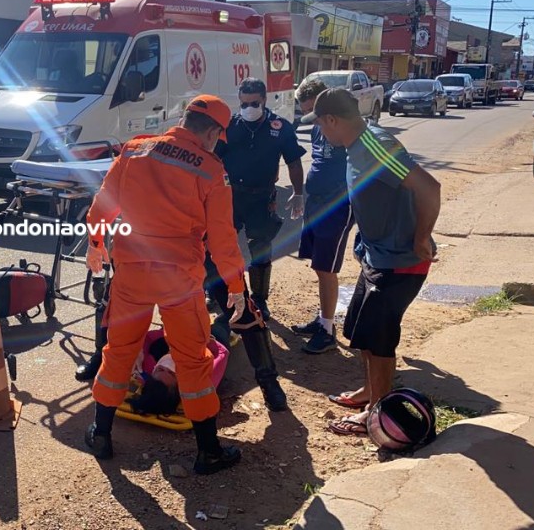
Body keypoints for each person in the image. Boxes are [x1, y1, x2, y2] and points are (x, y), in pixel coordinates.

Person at [82, 94, 247, 475]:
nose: (214, 144)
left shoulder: (135, 150)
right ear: (211, 132)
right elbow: (222, 238)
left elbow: (104, 204)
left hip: (133, 272)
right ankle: (208, 451)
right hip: (179, 278)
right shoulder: (211, 169)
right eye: (216, 138)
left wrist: (95, 243)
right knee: (192, 360)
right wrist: (236, 286)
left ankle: (101, 433)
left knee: (119, 351)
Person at [298, 88, 441, 437]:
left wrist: (422, 237)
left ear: (332, 120)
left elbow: (429, 188)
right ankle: (370, 394)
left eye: (319, 124)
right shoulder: (354, 146)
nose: (319, 132)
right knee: (360, 333)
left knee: (380, 340)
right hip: (376, 255)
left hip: (400, 262)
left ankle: (378, 411)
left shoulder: (375, 144)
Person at [206, 78, 306, 322]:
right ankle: (216, 292)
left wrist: (298, 191)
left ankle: (260, 300)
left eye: (254, 103)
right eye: (244, 103)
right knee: (217, 246)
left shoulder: (280, 127)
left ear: (264, 100)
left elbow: (293, 161)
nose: (248, 107)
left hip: (262, 197)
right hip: (230, 197)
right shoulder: (230, 126)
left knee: (260, 249)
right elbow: (211, 159)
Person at [290, 79, 355, 354]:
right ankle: (322, 320)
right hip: (316, 204)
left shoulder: (345, 130)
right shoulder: (320, 128)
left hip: (336, 206)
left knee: (327, 268)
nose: (313, 120)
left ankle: (327, 331)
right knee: (319, 265)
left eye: (314, 112)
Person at [127, 328, 230, 416]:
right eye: (172, 373)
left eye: (160, 369)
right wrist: (203, 340)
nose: (167, 366)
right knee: (220, 328)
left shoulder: (146, 366)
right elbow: (222, 352)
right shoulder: (200, 382)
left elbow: (148, 337)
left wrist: (173, 333)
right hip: (209, 346)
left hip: (178, 342)